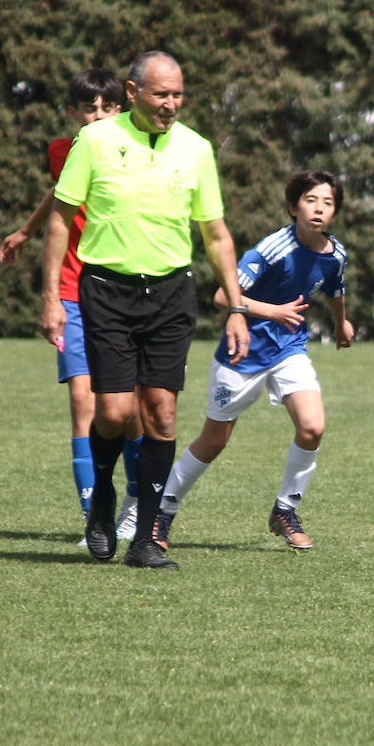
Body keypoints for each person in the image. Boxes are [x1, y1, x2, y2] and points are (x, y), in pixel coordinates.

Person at [39, 50, 249, 571]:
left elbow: (216, 233)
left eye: (178, 95)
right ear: (133, 94)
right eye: (161, 94)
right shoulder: (95, 141)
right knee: (114, 412)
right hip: (106, 290)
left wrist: (238, 308)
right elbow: (61, 221)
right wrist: (50, 299)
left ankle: (147, 539)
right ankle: (103, 505)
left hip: (171, 294)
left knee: (161, 411)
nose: (171, 104)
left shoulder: (197, 148)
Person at [152, 170, 354, 557]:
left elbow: (335, 289)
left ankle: (285, 510)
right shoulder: (273, 248)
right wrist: (273, 311)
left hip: (289, 350)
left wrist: (341, 321)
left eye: (328, 203)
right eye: (311, 200)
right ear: (294, 206)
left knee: (312, 427)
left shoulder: (335, 253)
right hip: (242, 352)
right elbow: (222, 297)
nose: (319, 208)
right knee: (214, 441)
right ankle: (163, 510)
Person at [0, 69, 143, 545]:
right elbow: (61, 197)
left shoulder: (138, 150)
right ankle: (94, 514)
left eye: (106, 108)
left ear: (120, 110)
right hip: (71, 290)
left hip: (121, 288)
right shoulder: (65, 151)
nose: (97, 116)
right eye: (88, 109)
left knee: (127, 410)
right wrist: (27, 231)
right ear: (73, 113)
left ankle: (140, 504)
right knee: (83, 401)